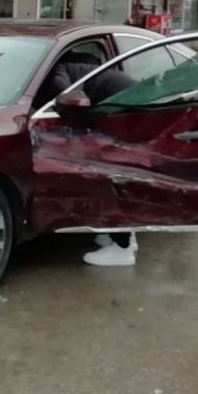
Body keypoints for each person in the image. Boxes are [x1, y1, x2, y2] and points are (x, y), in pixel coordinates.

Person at [35, 53, 140, 267]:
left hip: (122, 108)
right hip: (122, 104)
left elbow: (69, 97)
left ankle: (122, 248)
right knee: (111, 177)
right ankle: (121, 237)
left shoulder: (55, 75)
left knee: (106, 179)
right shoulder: (71, 68)